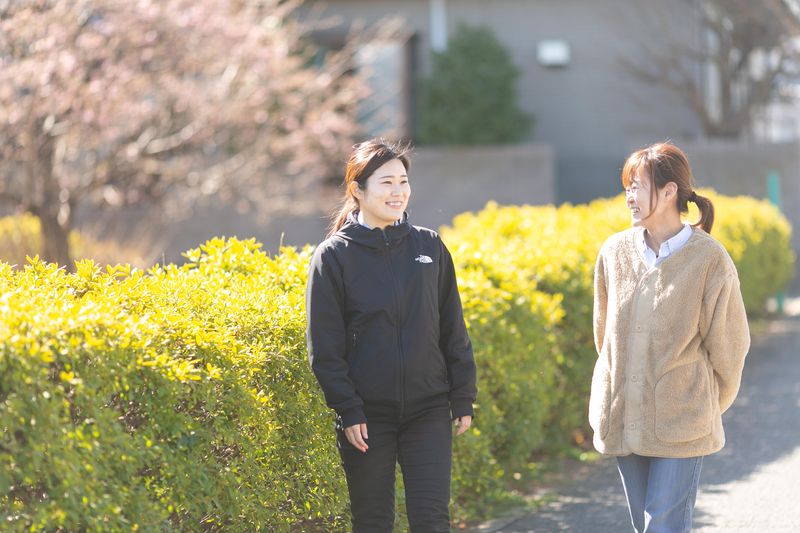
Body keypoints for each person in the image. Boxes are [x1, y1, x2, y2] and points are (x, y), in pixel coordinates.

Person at [305, 139, 477, 532]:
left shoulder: (429, 246)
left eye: (403, 181)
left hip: (428, 409)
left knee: (432, 519)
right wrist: (348, 408)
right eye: (386, 182)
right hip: (367, 417)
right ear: (357, 190)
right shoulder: (333, 257)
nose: (398, 191)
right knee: (373, 521)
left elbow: (452, 327)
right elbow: (325, 348)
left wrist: (462, 394)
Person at [589, 142, 750, 533]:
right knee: (645, 526)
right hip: (624, 417)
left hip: (682, 423)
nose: (629, 196)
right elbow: (605, 337)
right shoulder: (613, 253)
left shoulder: (709, 259)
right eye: (627, 187)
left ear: (668, 191)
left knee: (663, 526)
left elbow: (730, 350)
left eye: (637, 186)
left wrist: (698, 405)